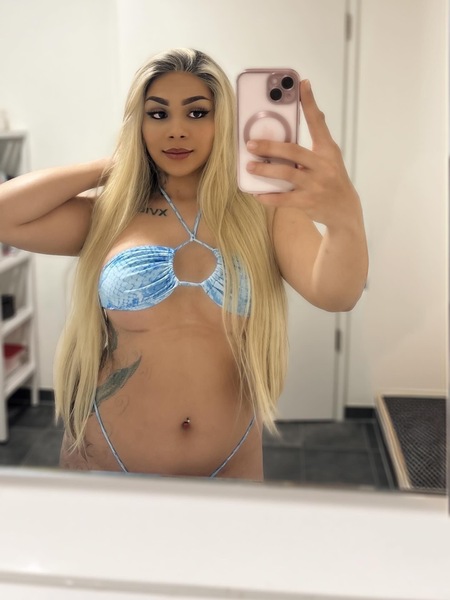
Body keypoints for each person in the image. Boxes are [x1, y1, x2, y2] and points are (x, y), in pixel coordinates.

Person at [0, 48, 368, 480]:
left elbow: (336, 294)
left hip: (230, 461)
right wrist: (114, 166)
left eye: (197, 113)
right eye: (157, 115)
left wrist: (345, 217)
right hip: (107, 457)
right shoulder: (114, 213)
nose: (176, 130)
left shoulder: (262, 210)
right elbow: (6, 215)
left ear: (223, 121)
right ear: (138, 124)